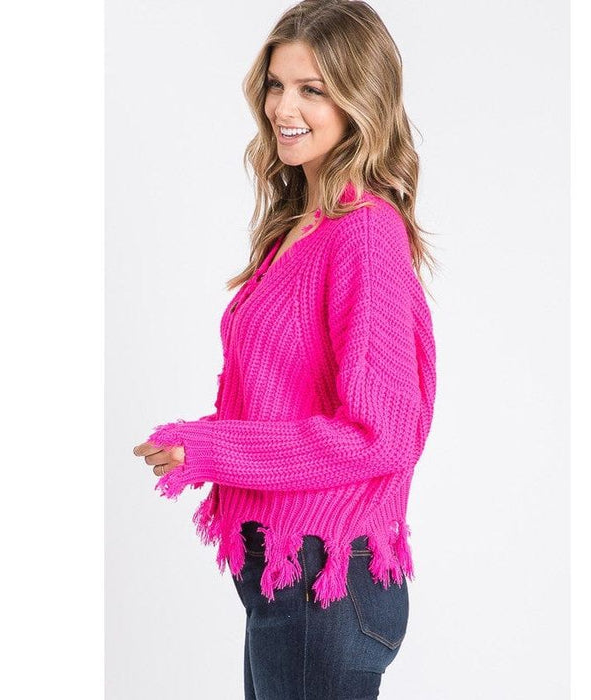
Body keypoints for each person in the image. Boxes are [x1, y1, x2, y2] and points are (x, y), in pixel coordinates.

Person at [132, 1, 438, 697]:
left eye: (312, 89)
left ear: (361, 101)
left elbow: (380, 434)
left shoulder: (363, 234)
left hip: (325, 584)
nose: (283, 108)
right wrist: (203, 440)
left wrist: (213, 448)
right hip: (290, 575)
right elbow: (291, 398)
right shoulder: (304, 223)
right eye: (276, 84)